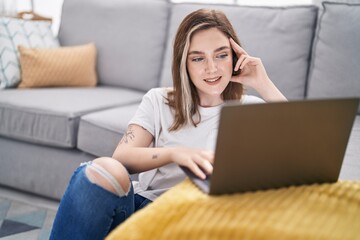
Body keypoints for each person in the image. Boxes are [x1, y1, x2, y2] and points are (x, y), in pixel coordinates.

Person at [50, 8, 287, 240]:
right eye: (198, 58)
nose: (212, 68)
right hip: (146, 209)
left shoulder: (251, 108)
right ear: (184, 63)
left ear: (235, 57)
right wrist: (176, 154)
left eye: (221, 55)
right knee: (102, 170)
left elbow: (310, 152)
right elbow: (121, 158)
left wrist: (263, 82)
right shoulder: (158, 100)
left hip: (202, 219)